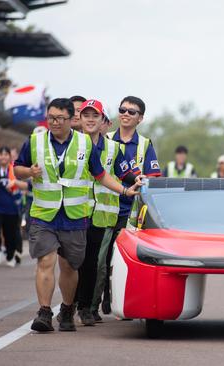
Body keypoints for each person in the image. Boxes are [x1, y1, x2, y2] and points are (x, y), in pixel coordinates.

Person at [14, 98, 142, 332]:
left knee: (70, 267)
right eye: (51, 117)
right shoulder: (35, 141)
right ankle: (44, 312)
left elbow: (101, 175)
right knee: (46, 260)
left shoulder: (84, 144)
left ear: (70, 118)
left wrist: (125, 189)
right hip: (44, 214)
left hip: (74, 216)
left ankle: (66, 308)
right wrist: (28, 171)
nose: (55, 122)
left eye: (60, 118)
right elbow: (17, 169)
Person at [74, 99, 141, 325]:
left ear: (103, 121)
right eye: (86, 115)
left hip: (103, 217)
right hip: (74, 214)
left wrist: (138, 181)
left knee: (98, 264)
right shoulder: (72, 144)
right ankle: (73, 303)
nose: (90, 120)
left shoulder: (113, 148)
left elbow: (126, 173)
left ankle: (88, 307)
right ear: (80, 119)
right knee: (74, 263)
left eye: (95, 116)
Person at [99, 96, 161, 314]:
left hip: (131, 213)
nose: (125, 114)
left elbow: (154, 177)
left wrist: (140, 177)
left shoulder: (145, 144)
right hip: (103, 209)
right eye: (122, 110)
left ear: (140, 118)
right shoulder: (103, 138)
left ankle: (114, 299)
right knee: (100, 260)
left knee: (122, 259)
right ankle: (92, 303)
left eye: (131, 112)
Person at [0, 146, 27, 267]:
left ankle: (10, 256)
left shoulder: (15, 171)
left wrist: (15, 183)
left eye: (5, 154)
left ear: (10, 157)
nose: (3, 157)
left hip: (12, 209)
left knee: (10, 235)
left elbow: (26, 185)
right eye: (0, 154)